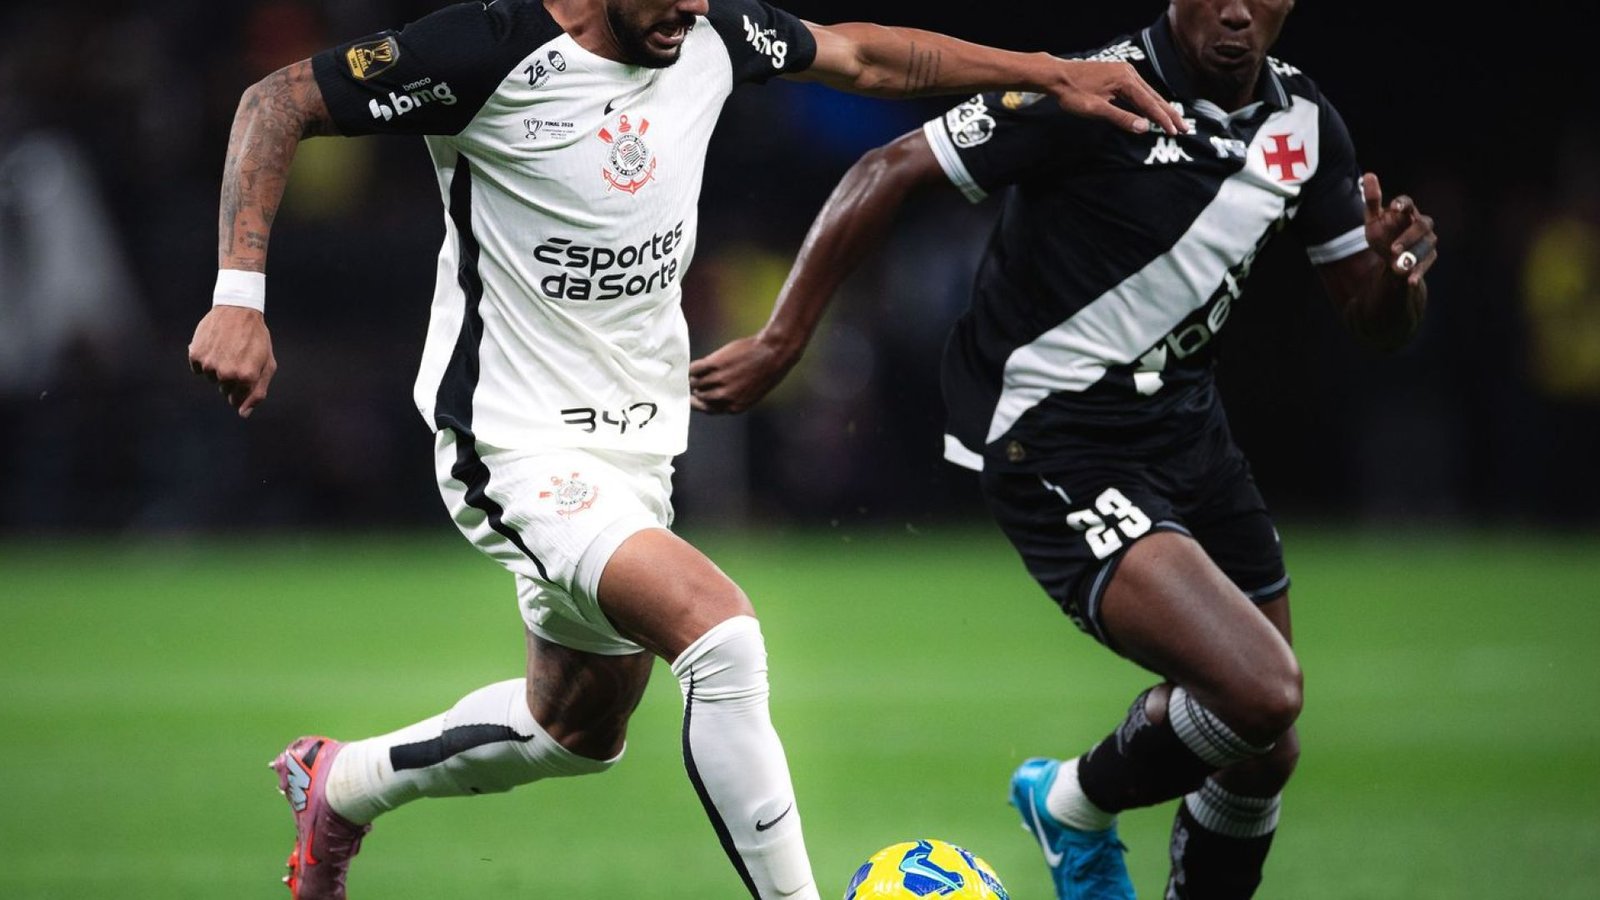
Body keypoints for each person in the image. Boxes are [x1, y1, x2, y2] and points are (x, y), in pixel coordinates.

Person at [185, 1, 1187, 897]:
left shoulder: (707, 32)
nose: (691, 8)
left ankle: (339, 783)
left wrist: (1049, 71)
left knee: (575, 731)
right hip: (513, 440)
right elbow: (276, 103)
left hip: (635, 447)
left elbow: (868, 58)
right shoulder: (483, 49)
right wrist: (239, 297)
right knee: (721, 633)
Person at [688, 1, 1438, 897]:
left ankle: (1087, 814)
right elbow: (888, 166)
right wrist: (782, 340)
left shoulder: (1306, 124)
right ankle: (1071, 803)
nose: (1237, 11)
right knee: (1261, 693)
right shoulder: (1089, 90)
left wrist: (1399, 281)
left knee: (1263, 748)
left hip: (1191, 438)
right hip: (1053, 438)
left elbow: (1372, 317)